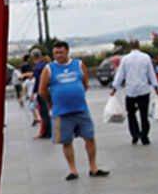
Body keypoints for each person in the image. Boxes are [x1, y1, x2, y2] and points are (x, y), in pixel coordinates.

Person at [38, 40, 108, 180]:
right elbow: (42, 90)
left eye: (61, 52)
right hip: (62, 112)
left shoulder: (79, 64)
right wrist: (53, 102)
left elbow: (85, 84)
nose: (58, 55)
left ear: (67, 52)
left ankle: (93, 167)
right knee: (66, 141)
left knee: (90, 138)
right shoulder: (49, 69)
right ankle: (73, 170)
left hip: (81, 110)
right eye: (56, 53)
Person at [110, 39, 158, 145]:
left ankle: (135, 134)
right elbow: (151, 74)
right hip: (143, 90)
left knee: (131, 114)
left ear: (130, 47)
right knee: (143, 114)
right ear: (139, 46)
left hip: (130, 91)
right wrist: (156, 87)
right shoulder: (146, 58)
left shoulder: (125, 59)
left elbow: (120, 75)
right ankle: (144, 136)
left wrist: (114, 88)